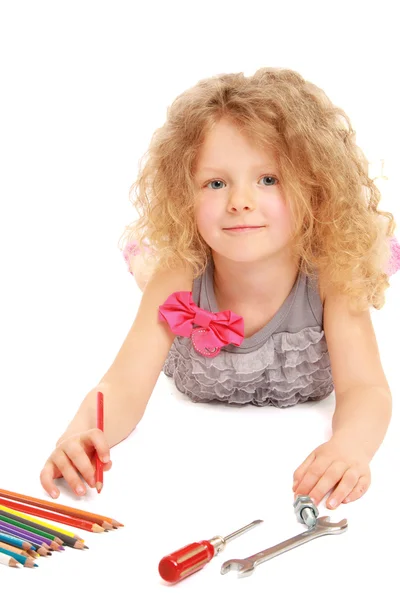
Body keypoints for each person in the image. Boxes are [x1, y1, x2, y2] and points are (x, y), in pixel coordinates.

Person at [40, 67, 399, 510]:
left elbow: (366, 388)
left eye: (269, 179)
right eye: (216, 182)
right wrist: (80, 434)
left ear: (315, 188)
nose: (240, 201)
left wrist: (350, 446)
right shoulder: (179, 276)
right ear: (183, 194)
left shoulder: (330, 278)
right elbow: (121, 388)